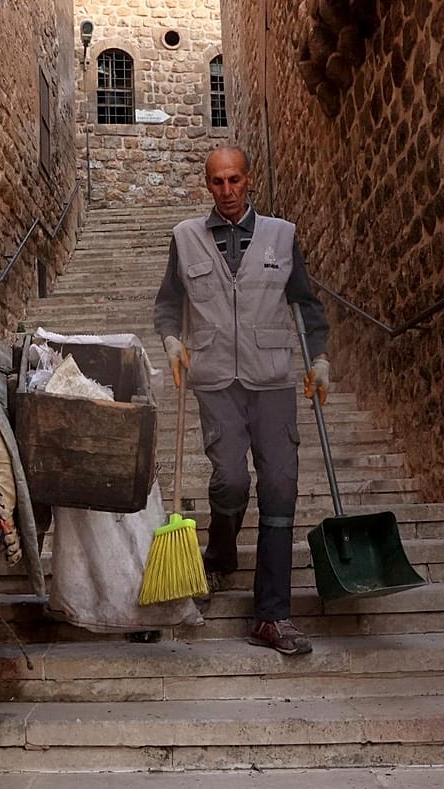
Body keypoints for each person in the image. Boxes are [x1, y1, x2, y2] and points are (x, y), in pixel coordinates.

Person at [153, 145, 331, 656]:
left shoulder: (283, 235)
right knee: (230, 477)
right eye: (217, 183)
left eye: (234, 181)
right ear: (206, 185)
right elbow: (169, 304)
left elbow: (306, 303)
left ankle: (271, 614)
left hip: (273, 379)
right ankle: (223, 546)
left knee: (279, 485)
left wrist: (318, 359)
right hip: (214, 379)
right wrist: (170, 340)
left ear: (248, 179)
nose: (227, 192)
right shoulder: (185, 238)